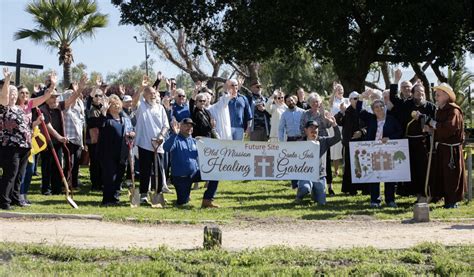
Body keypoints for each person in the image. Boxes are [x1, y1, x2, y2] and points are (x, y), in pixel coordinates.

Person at [0, 68, 52, 209]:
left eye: (15, 93)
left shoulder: (20, 108)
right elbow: (3, 97)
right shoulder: (4, 107)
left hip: (25, 145)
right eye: (12, 93)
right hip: (10, 146)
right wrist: (6, 81)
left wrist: (52, 86)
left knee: (19, 174)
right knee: (10, 173)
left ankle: (15, 198)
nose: (13, 95)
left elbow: (43, 98)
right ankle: (4, 201)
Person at [390, 69, 436, 198]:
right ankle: (413, 192)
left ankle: (424, 192)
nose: (420, 95)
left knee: (423, 168)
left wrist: (429, 128)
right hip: (408, 142)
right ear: (413, 93)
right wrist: (395, 81)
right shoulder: (407, 104)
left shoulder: (430, 107)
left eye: (422, 92)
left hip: (424, 142)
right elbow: (393, 98)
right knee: (411, 168)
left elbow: (435, 123)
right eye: (417, 92)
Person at [426, 83, 467, 208]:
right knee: (442, 175)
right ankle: (443, 198)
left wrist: (433, 124)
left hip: (451, 149)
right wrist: (431, 129)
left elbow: (450, 129)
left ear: (446, 95)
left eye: (438, 95)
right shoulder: (441, 110)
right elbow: (440, 129)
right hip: (443, 148)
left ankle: (452, 201)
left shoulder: (453, 110)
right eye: (435, 95)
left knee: (451, 175)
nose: (436, 97)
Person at [164, 118, 220, 207]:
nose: (189, 128)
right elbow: (166, 148)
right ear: (180, 127)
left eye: (191, 126)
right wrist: (174, 134)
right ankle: (183, 197)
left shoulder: (195, 141)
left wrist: (212, 130)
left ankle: (207, 200)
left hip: (194, 174)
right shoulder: (176, 139)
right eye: (186, 125)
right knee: (183, 203)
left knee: (215, 174)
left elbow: (216, 147)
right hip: (181, 177)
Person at [132, 76, 170, 203]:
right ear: (145, 95)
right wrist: (141, 87)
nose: (153, 95)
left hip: (158, 144)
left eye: (155, 93)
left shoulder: (160, 108)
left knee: (159, 170)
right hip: (144, 143)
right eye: (151, 93)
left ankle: (158, 193)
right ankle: (143, 194)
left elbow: (166, 125)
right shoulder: (141, 106)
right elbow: (134, 101)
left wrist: (161, 136)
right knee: (145, 170)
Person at [358, 99, 402, 208]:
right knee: (374, 176)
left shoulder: (391, 119)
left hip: (388, 151)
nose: (379, 108)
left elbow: (400, 132)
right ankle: (375, 200)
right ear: (373, 110)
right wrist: (361, 98)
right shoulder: (371, 119)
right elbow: (359, 111)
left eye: (381, 106)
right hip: (373, 151)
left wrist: (390, 138)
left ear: (384, 107)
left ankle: (390, 200)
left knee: (389, 176)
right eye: (376, 107)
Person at [96, 95, 134, 206]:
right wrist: (103, 111)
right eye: (113, 104)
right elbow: (100, 124)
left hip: (122, 152)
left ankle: (115, 198)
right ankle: (107, 199)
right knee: (109, 176)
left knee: (119, 176)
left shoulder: (125, 118)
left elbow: (131, 130)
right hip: (108, 153)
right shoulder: (106, 119)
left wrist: (132, 134)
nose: (117, 105)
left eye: (118, 102)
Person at [294, 115, 341, 205]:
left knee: (321, 202)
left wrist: (334, 125)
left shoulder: (323, 141)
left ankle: (314, 194)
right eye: (311, 128)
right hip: (305, 175)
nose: (314, 130)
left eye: (316, 128)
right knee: (305, 188)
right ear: (305, 130)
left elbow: (337, 138)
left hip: (320, 175)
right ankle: (299, 197)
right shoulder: (300, 143)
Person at [300, 93, 334, 194]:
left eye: (317, 101)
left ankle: (330, 187)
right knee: (310, 162)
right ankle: (310, 185)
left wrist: (323, 114)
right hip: (310, 141)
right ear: (309, 103)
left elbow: (328, 125)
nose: (316, 103)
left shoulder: (324, 112)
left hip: (323, 140)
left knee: (326, 163)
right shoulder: (305, 114)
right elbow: (302, 127)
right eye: (313, 102)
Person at [336, 91, 369, 195]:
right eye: (354, 98)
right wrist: (341, 112)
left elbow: (369, 125)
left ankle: (365, 189)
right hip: (349, 143)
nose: (356, 100)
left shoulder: (363, 111)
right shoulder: (347, 111)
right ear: (350, 100)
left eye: (358, 98)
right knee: (350, 166)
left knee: (364, 165)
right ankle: (351, 189)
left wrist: (362, 132)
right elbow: (338, 121)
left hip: (362, 142)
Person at [62, 75, 87, 189]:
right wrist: (79, 89)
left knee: (76, 163)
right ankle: (66, 183)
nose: (73, 97)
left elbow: (81, 125)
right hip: (68, 138)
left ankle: (74, 183)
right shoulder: (66, 108)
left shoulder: (78, 109)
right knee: (69, 163)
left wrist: (82, 143)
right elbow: (72, 97)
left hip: (77, 139)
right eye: (70, 95)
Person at [86, 87, 105, 191]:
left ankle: (102, 182)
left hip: (102, 139)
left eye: (100, 95)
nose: (98, 98)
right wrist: (95, 87)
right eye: (96, 95)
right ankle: (95, 184)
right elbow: (88, 100)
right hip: (93, 140)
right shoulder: (89, 108)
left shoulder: (103, 107)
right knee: (94, 162)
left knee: (102, 162)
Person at [328, 83, 346, 179]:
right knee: (335, 149)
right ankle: (336, 170)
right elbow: (330, 100)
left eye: (341, 88)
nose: (340, 90)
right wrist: (334, 90)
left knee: (344, 149)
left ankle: (345, 169)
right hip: (335, 128)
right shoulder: (332, 101)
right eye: (338, 89)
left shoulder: (346, 100)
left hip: (345, 128)